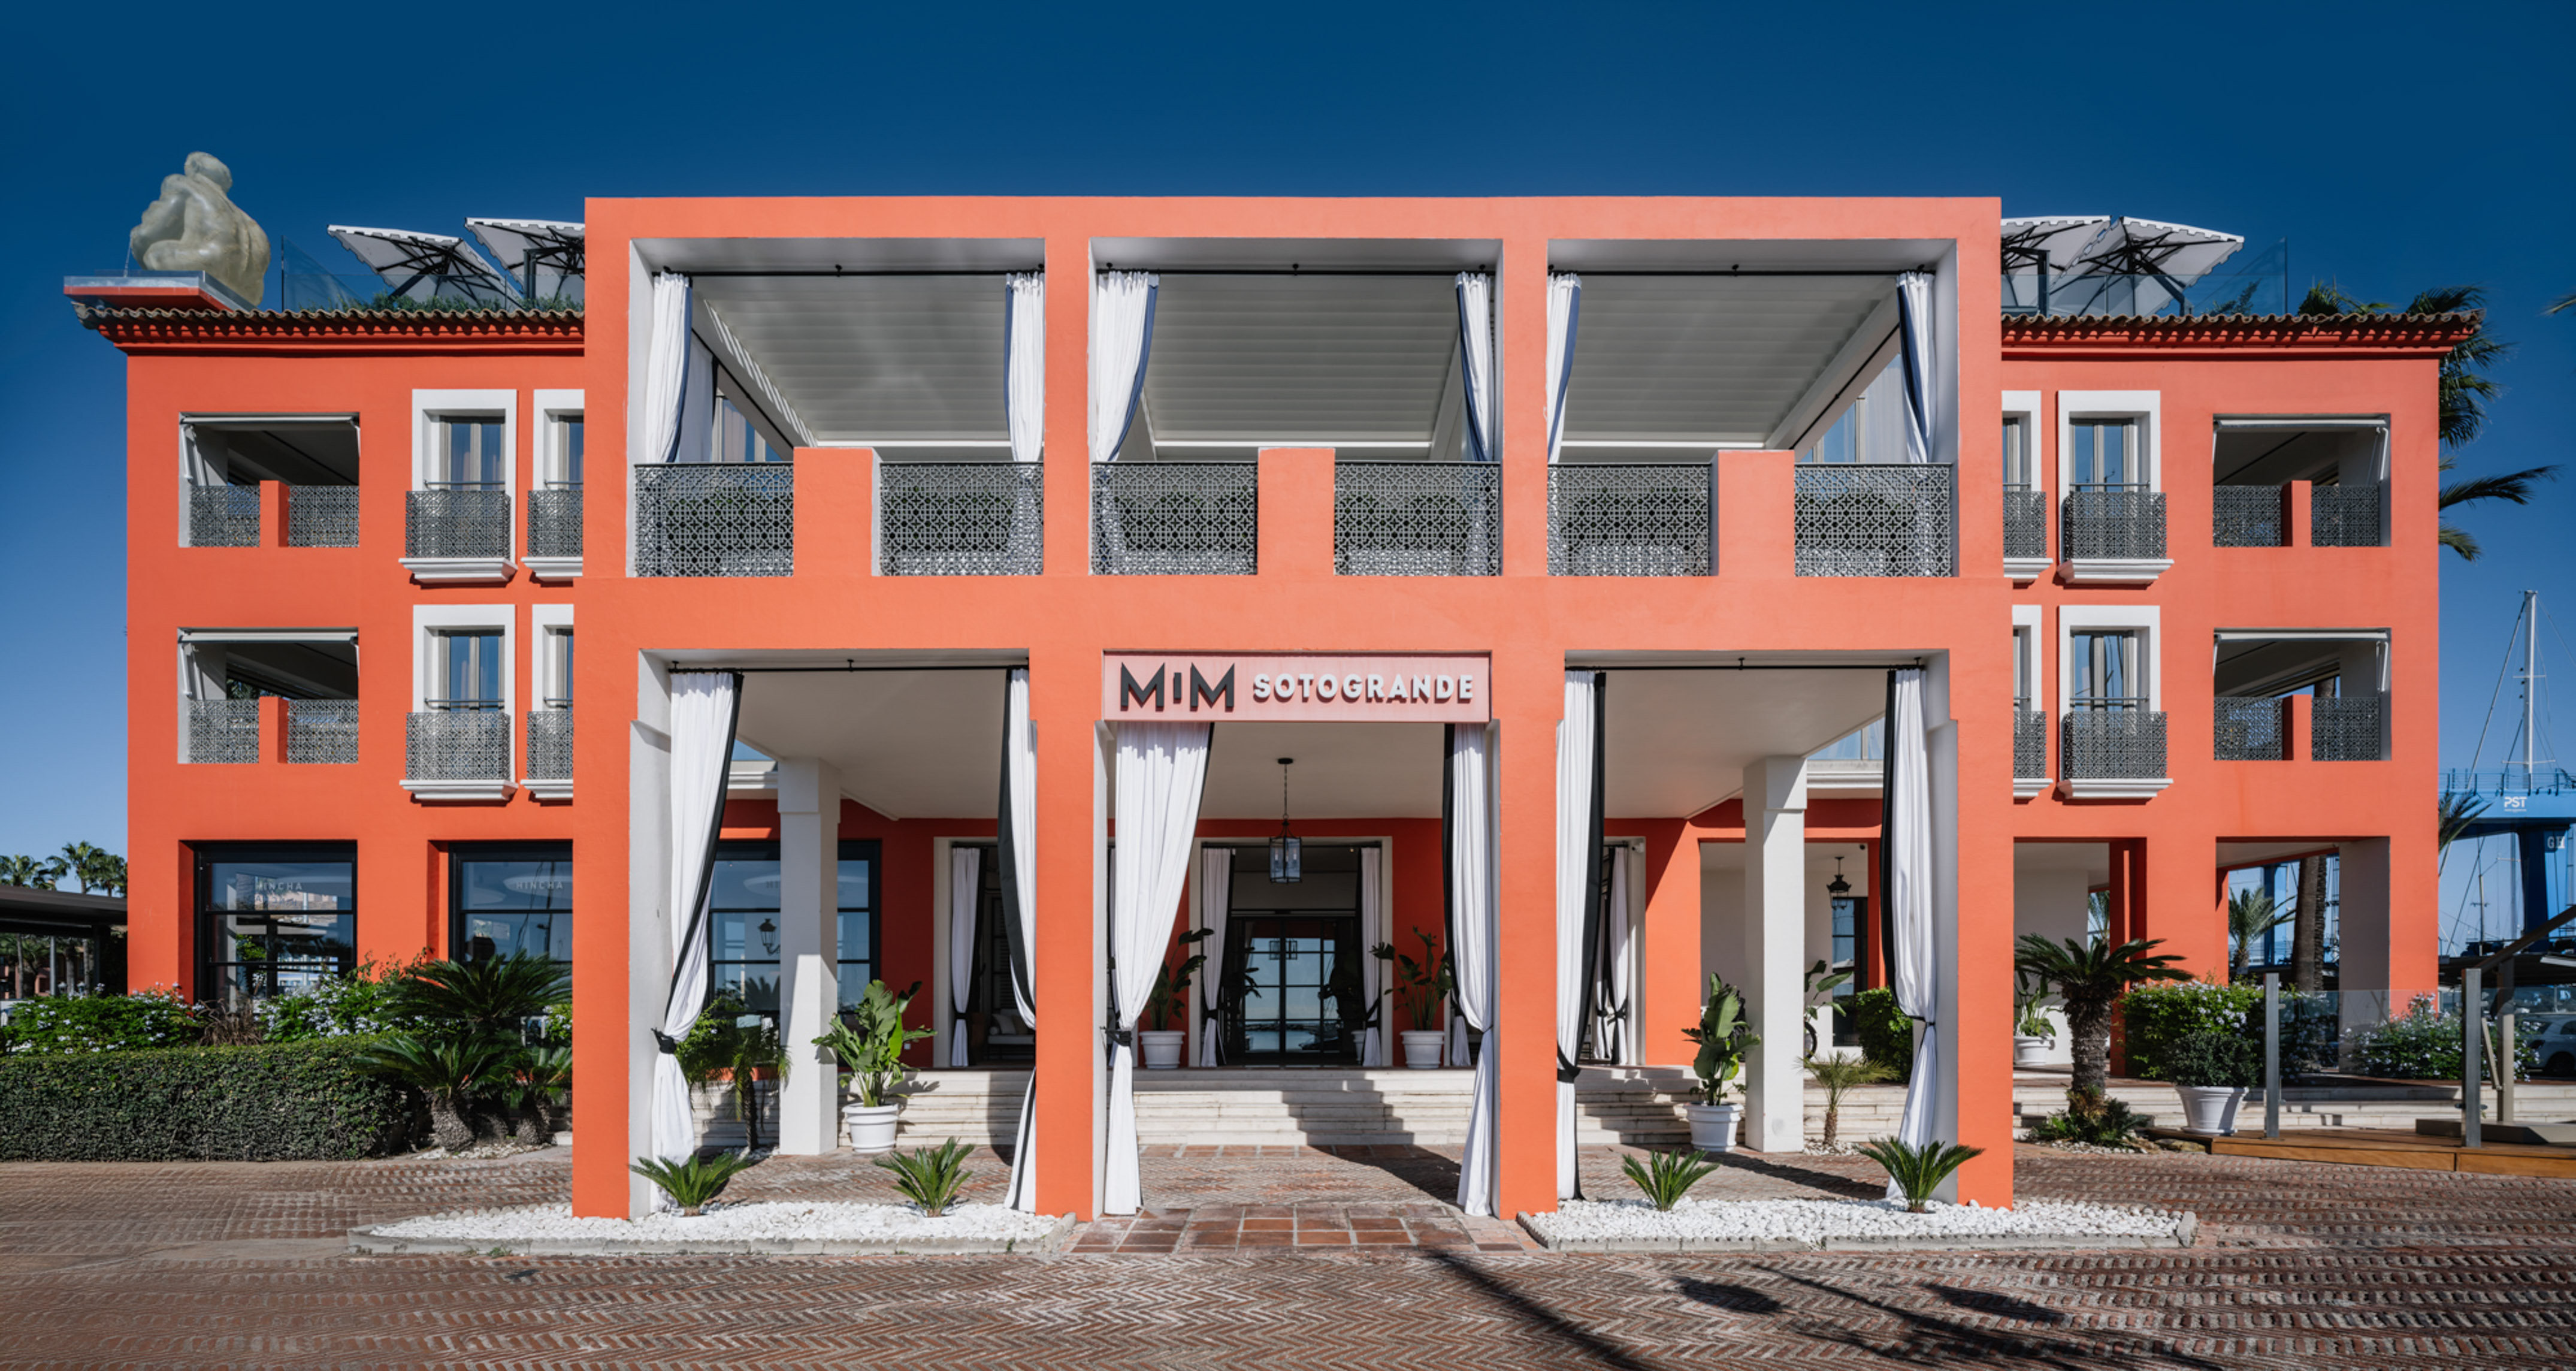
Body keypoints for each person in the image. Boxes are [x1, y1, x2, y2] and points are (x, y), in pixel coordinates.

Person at [129, 152, 268, 304]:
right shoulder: (250, 222)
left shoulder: (183, 184)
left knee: (154, 253)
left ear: (193, 167)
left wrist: (136, 239)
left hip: (204, 264)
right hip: (250, 293)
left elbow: (149, 233)